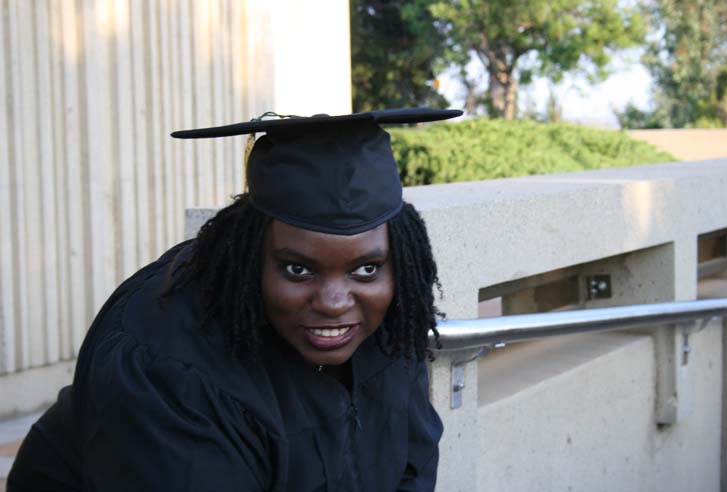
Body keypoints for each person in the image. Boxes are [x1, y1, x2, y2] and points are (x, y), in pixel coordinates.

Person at [8, 108, 462, 491]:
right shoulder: (165, 368)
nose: (334, 302)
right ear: (250, 255)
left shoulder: (388, 318)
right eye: (297, 268)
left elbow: (413, 465)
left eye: (366, 269)